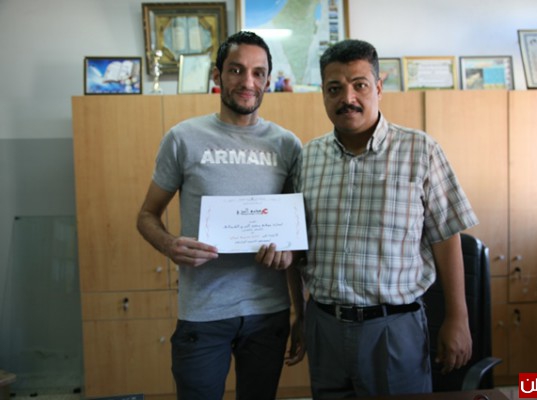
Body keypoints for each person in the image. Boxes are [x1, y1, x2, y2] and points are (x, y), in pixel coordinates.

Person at [291, 39, 479, 398]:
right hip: (324, 325)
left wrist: (458, 318)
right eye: (334, 88)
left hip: (393, 327)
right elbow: (296, 244)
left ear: (378, 88)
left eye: (359, 85)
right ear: (323, 94)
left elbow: (446, 235)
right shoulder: (308, 157)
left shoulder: (420, 150)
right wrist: (299, 314)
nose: (347, 98)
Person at [136, 31, 302, 400]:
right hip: (203, 312)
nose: (248, 82)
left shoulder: (287, 145)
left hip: (268, 311)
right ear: (217, 76)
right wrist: (169, 245)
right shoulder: (183, 138)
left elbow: (295, 234)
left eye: (258, 73)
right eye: (236, 70)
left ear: (268, 81)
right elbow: (146, 215)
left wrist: (297, 298)